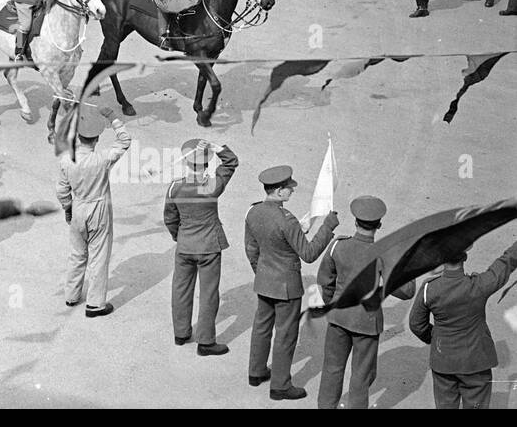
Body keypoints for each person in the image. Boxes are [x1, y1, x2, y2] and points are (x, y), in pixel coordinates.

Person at [244, 165, 339, 400]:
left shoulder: (253, 212)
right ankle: (280, 386)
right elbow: (308, 254)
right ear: (278, 191)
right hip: (287, 286)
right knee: (285, 335)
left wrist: (261, 273)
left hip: (265, 280)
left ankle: (256, 372)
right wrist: (327, 227)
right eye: (288, 188)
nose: (292, 191)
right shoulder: (287, 220)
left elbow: (251, 248)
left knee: (262, 327)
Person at [317, 196, 417, 410]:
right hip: (366, 323)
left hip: (338, 317)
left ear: (355, 222)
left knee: (332, 369)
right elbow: (407, 291)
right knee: (361, 376)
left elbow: (325, 280)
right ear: (379, 225)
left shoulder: (338, 246)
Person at [409, 232, 517, 409]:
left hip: (443, 361)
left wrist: (436, 338)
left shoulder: (430, 288)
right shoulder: (479, 285)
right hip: (476, 362)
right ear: (464, 258)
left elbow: (416, 324)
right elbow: (506, 262)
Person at [55, 103, 131, 315]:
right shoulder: (102, 158)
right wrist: (113, 117)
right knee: (99, 255)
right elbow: (125, 141)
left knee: (77, 253)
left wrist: (68, 209)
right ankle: (95, 304)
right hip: (99, 209)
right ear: (97, 139)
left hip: (78, 207)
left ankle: (71, 295)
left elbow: (61, 190)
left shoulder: (66, 160)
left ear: (78, 137)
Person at [164, 139, 238, 355]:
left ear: (187, 163)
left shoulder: (175, 187)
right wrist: (216, 147)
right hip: (208, 246)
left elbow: (170, 218)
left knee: (180, 289)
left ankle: (181, 333)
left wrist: (180, 237)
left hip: (185, 245)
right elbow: (231, 162)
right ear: (207, 164)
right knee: (208, 293)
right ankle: (205, 341)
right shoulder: (212, 186)